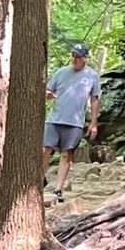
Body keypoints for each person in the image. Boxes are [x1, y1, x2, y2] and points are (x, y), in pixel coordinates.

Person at [42, 41, 100, 202]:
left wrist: (94, 123)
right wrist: (48, 95)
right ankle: (39, 179)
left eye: (78, 57)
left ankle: (58, 189)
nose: (74, 59)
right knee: (46, 149)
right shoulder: (61, 72)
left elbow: (95, 99)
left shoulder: (92, 76)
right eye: (73, 56)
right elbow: (47, 89)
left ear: (85, 58)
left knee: (66, 154)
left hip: (75, 122)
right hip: (54, 119)